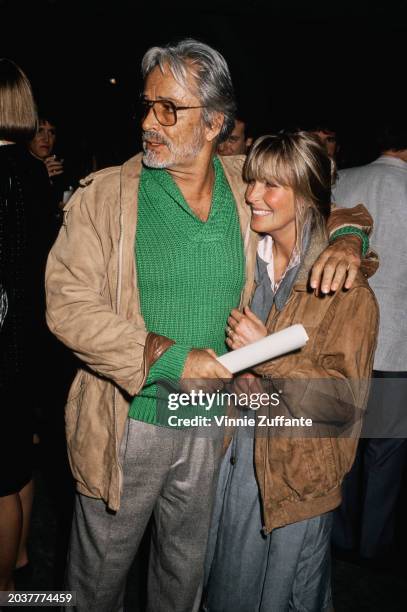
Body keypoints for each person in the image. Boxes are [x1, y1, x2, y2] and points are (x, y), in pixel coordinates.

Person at [45, 40, 375, 612]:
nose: (150, 121)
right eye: (148, 105)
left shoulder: (242, 185)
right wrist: (168, 357)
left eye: (169, 108)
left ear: (215, 122)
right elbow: (67, 305)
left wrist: (350, 239)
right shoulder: (106, 196)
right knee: (92, 584)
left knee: (182, 583)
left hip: (210, 428)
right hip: (129, 420)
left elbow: (317, 194)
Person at [203, 131, 379, 612]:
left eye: (271, 186)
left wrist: (270, 354)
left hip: (295, 481)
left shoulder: (345, 291)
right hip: (231, 461)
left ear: (306, 194)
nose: (253, 195)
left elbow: (342, 406)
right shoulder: (245, 261)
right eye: (252, 181)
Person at [332, 125, 407, 563]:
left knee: (343, 444)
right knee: (386, 454)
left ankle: (337, 533)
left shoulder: (345, 179)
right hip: (399, 346)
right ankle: (372, 542)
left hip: (347, 342)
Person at [0, 58, 38, 590]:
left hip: (4, 342)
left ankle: (4, 589)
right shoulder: (35, 171)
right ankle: (23, 558)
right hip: (31, 340)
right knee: (17, 461)